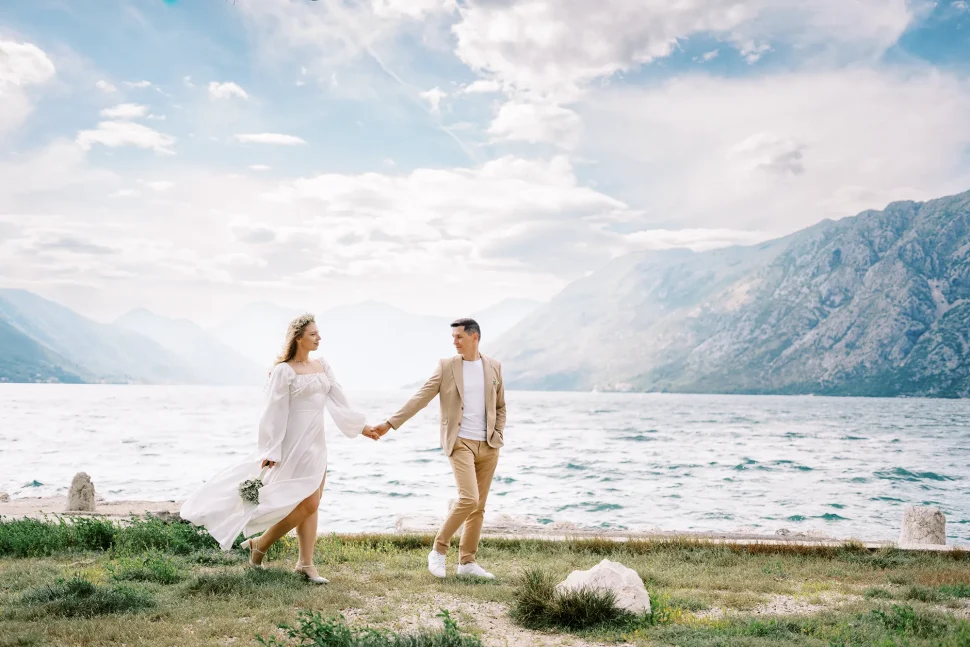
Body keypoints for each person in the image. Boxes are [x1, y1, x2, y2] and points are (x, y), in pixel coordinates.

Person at [180, 313, 380, 584]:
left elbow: (339, 400)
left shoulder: (322, 365)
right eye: (313, 334)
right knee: (307, 503)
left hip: (316, 443)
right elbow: (273, 412)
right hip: (291, 444)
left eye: (318, 333)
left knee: (312, 504)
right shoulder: (283, 371)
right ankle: (260, 544)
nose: (319, 338)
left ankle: (305, 563)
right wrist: (271, 450)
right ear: (298, 338)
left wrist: (362, 427)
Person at [370, 318, 506, 579]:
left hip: (489, 445)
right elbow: (421, 397)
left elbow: (500, 406)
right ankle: (438, 550)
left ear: (474, 337)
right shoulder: (447, 366)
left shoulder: (494, 367)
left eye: (459, 337)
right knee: (469, 499)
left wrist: (498, 433)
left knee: (478, 507)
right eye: (453, 337)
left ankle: (467, 563)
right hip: (460, 442)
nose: (454, 342)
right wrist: (390, 423)